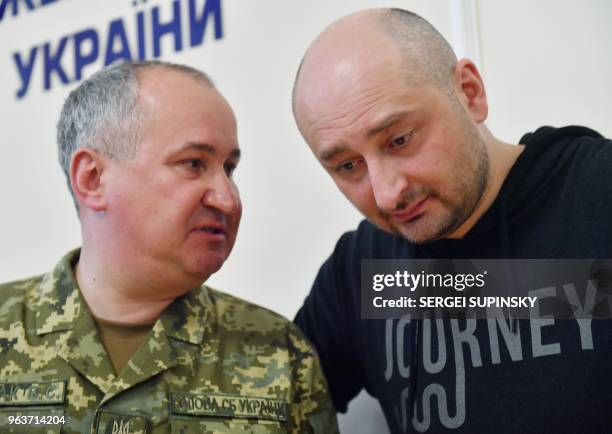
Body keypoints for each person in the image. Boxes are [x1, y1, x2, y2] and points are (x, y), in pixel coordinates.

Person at [292, 8, 612, 434]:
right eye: (349, 166)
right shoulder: (362, 272)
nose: (387, 193)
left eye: (400, 140)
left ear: (469, 92)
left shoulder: (597, 194)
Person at [0, 61, 338, 434]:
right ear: (93, 179)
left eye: (229, 168)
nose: (228, 199)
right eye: (193, 163)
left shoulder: (279, 352)